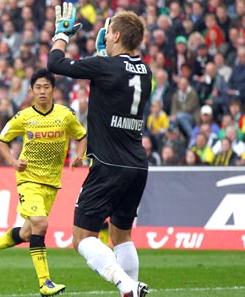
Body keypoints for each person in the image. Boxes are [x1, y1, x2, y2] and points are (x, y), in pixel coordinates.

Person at [48, 5, 151, 297]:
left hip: (108, 165)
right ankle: (131, 289)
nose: (104, 35)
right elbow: (117, 80)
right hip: (137, 165)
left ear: (116, 35)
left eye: (109, 31)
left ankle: (127, 285)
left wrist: (61, 35)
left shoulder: (106, 66)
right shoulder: (145, 70)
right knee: (121, 235)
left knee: (81, 237)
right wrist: (102, 56)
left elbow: (55, 63)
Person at [0, 68, 87, 296]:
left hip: (52, 183)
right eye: (38, 87)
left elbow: (81, 136)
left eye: (47, 87)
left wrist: (80, 155)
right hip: (28, 180)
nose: (43, 91)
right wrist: (13, 163)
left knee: (28, 233)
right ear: (31, 91)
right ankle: (45, 283)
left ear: (53, 90)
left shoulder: (65, 115)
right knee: (40, 223)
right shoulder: (23, 117)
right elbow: (2, 140)